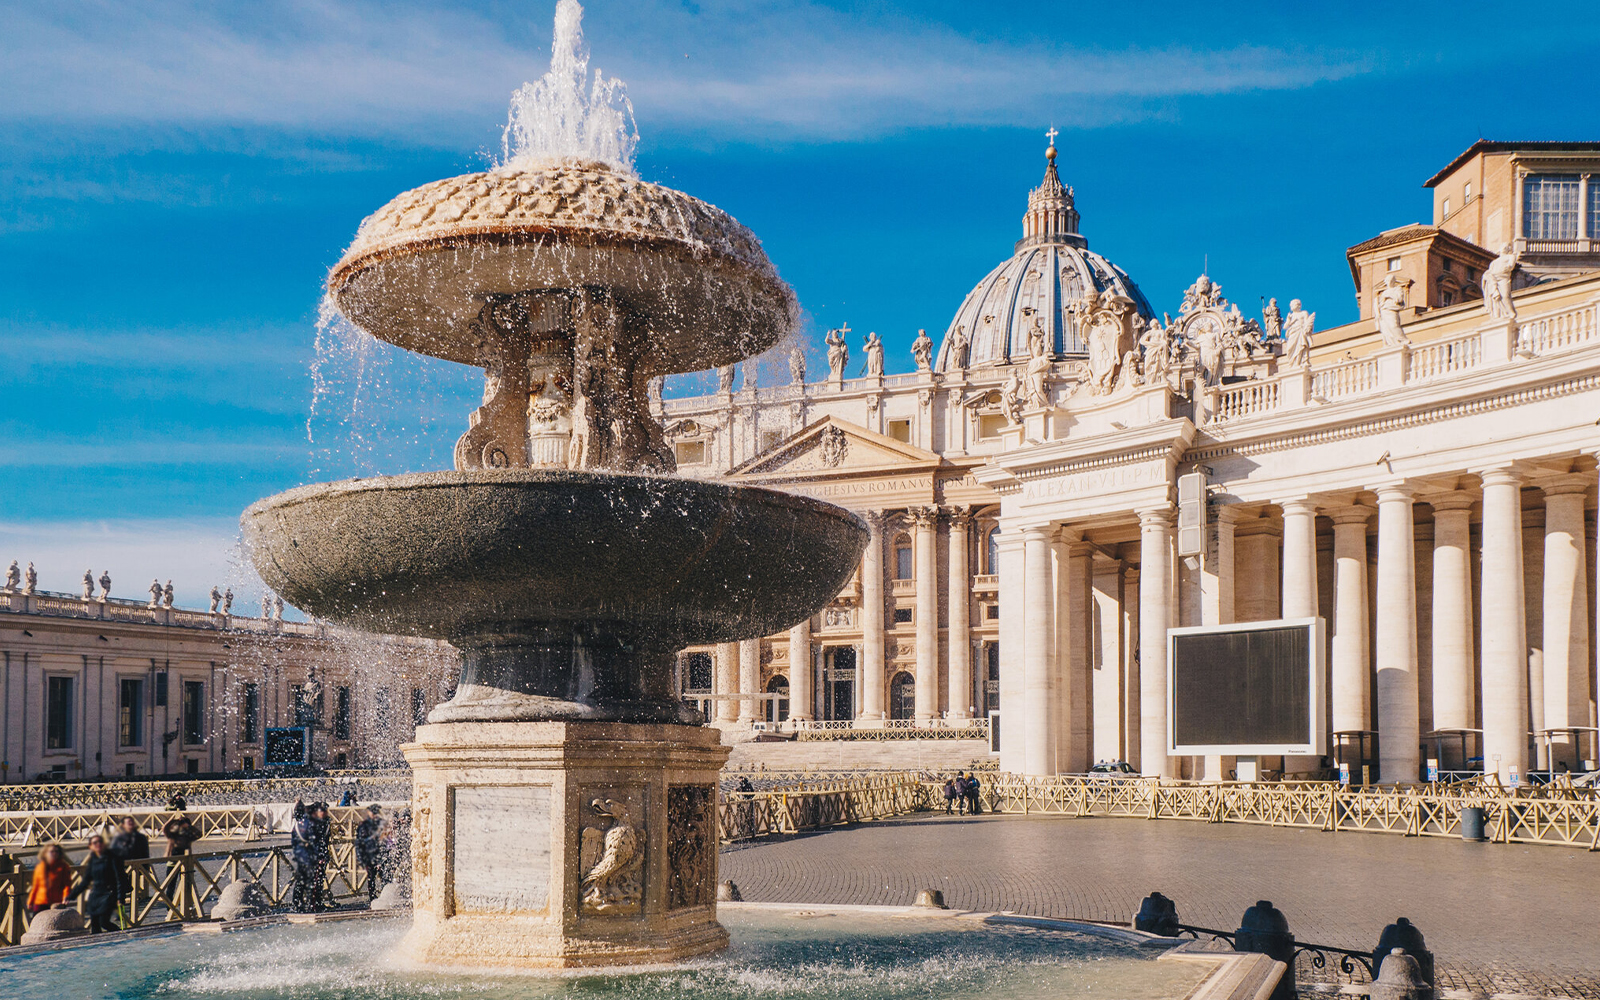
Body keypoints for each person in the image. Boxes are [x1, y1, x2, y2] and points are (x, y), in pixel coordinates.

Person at [73, 835, 124, 933]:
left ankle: (119, 934)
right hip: (96, 895)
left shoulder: (112, 857)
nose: (98, 844)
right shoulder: (94, 859)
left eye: (100, 842)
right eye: (95, 843)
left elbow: (119, 878)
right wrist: (71, 895)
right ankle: (98, 945)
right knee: (95, 924)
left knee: (103, 922)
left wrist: (120, 897)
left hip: (109, 894)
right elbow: (86, 880)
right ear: (90, 846)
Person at [111, 816, 151, 914]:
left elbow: (145, 853)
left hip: (136, 866)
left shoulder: (140, 837)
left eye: (132, 822)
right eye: (128, 823)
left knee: (126, 887)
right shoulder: (118, 838)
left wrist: (146, 867)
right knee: (120, 887)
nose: (131, 824)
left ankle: (129, 911)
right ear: (123, 825)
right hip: (121, 866)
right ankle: (120, 908)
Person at [27, 843, 73, 916]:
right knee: (37, 922)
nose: (54, 853)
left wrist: (66, 896)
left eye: (56, 851)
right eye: (52, 851)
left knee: (55, 923)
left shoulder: (64, 866)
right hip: (40, 900)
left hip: (57, 900)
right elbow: (35, 886)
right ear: (45, 853)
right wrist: (30, 901)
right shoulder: (40, 867)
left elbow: (67, 884)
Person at [355, 805, 385, 900]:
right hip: (370, 854)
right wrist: (360, 857)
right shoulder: (364, 825)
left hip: (379, 852)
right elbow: (360, 842)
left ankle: (383, 895)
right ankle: (372, 896)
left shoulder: (380, 823)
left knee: (384, 875)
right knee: (371, 877)